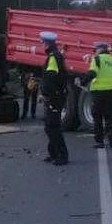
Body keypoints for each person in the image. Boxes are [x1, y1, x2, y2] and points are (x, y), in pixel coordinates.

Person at [80, 41, 112, 149]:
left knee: (97, 116)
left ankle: (99, 141)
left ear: (99, 49)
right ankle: (111, 134)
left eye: (95, 50)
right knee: (110, 116)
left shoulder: (97, 59)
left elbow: (93, 73)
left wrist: (83, 81)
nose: (94, 52)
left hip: (98, 92)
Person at [39, 31, 69, 166]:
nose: (42, 45)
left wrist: (44, 93)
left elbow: (51, 78)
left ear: (46, 43)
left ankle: (62, 155)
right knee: (49, 126)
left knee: (53, 127)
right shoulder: (56, 56)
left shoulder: (53, 57)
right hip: (56, 95)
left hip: (54, 97)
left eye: (43, 42)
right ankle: (53, 153)